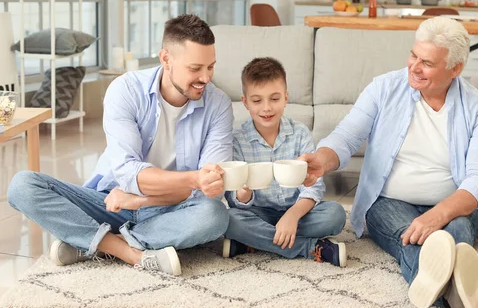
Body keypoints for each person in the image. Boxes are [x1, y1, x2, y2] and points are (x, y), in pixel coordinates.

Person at [299, 17, 478, 308]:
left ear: (455, 69)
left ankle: (435, 286)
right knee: (416, 236)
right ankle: (458, 290)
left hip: (452, 202)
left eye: (427, 63)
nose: (414, 67)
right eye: (413, 56)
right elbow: (347, 135)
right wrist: (321, 160)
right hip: (388, 201)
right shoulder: (384, 88)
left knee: (455, 230)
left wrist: (438, 214)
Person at [7, 14, 234, 276]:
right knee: (23, 185)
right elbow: (128, 174)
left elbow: (209, 190)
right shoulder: (125, 90)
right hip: (110, 201)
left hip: (171, 209)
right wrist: (193, 180)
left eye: (211, 67)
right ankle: (129, 252)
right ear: (166, 59)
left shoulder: (218, 105)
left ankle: (93, 243)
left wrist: (140, 201)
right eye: (195, 69)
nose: (205, 78)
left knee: (214, 215)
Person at [223, 57, 348, 267]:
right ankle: (310, 248)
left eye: (274, 98)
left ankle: (253, 242)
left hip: (298, 212)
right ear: (245, 102)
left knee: (335, 215)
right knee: (229, 220)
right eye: (257, 101)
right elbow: (234, 200)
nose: (266, 108)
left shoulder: (300, 133)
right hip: (258, 213)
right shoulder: (237, 140)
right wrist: (243, 195)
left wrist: (292, 215)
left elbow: (314, 186)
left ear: (286, 97)